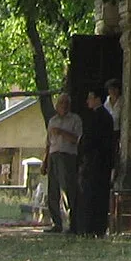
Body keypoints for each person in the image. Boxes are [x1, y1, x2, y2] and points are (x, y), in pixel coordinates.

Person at [73, 88, 116, 236]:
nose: (88, 101)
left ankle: (89, 227)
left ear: (97, 99)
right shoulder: (106, 117)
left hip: (94, 163)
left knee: (91, 195)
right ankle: (98, 227)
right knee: (100, 195)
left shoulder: (97, 118)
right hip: (102, 163)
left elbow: (90, 141)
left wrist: (82, 151)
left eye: (90, 98)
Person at [44, 92, 82, 232]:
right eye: (61, 103)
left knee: (67, 189)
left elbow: (77, 139)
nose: (63, 106)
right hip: (53, 155)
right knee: (53, 190)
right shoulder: (52, 121)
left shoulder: (75, 120)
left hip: (67, 156)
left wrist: (61, 132)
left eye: (66, 103)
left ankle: (72, 224)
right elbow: (48, 143)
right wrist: (45, 161)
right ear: (56, 105)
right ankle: (56, 224)